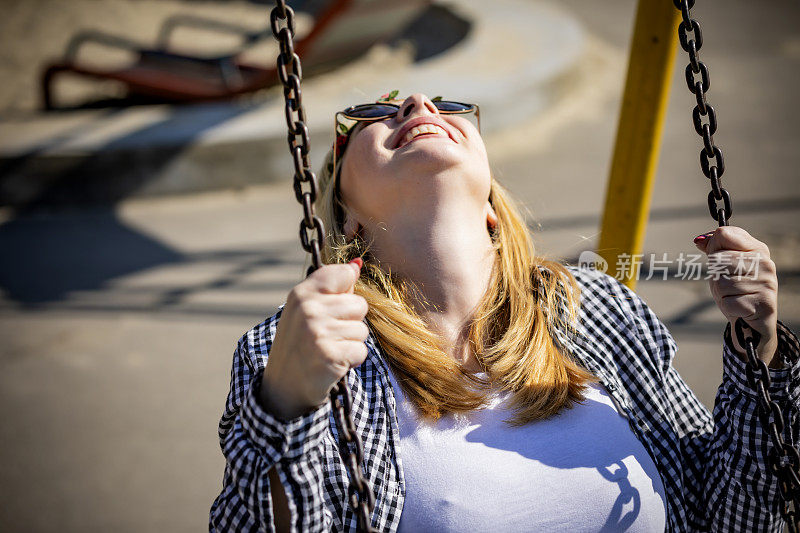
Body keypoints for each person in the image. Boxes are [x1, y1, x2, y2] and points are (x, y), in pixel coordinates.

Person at [209, 93, 800, 532]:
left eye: (448, 104)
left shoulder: (596, 309)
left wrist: (762, 352)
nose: (417, 104)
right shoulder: (299, 348)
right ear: (350, 217)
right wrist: (285, 404)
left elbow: (736, 518)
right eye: (370, 113)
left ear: (491, 203)